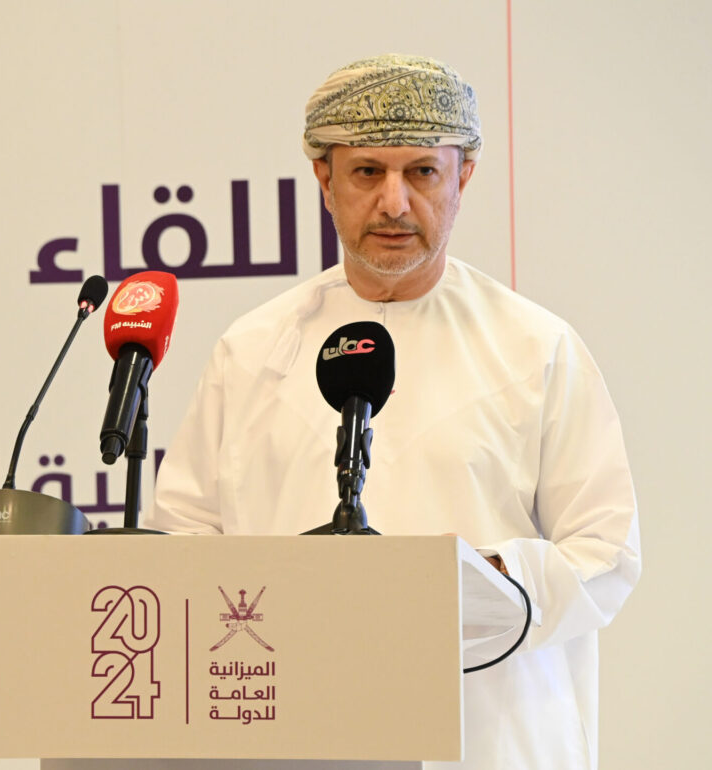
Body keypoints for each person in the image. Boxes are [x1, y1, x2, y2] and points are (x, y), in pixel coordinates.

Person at [151, 54, 641, 770]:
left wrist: (477, 579)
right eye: (367, 172)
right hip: (290, 735)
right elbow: (183, 538)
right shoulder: (251, 350)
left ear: (462, 178)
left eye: (422, 172)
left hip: (485, 740)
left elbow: (606, 553)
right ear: (324, 179)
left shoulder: (537, 347)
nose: (394, 203)